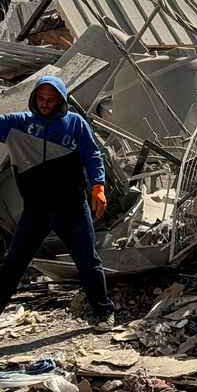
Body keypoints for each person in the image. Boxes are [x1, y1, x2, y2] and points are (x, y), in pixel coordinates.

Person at [0, 75, 115, 329]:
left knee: (88, 261)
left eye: (51, 100)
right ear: (34, 98)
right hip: (35, 209)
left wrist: (98, 186)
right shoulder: (17, 124)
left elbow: (92, 154)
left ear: (61, 100)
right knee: (13, 263)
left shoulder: (75, 124)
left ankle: (103, 312)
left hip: (71, 206)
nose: (45, 104)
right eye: (41, 99)